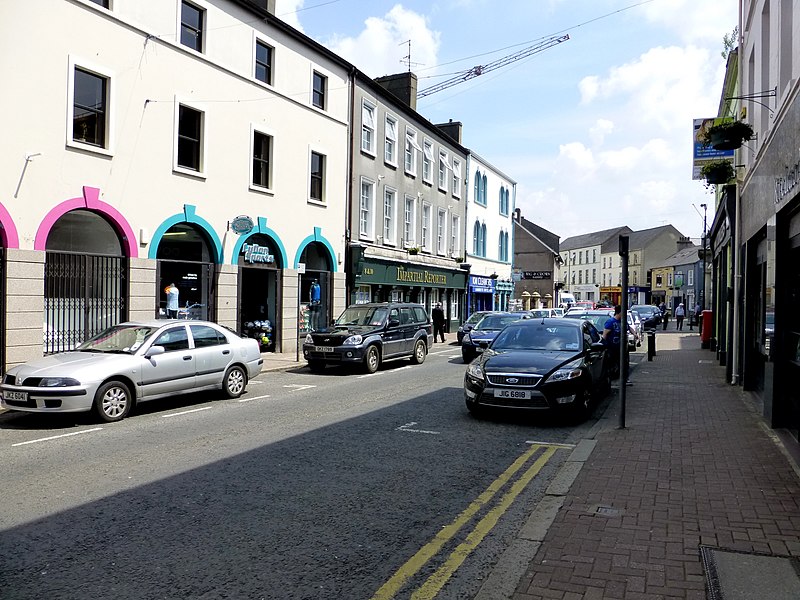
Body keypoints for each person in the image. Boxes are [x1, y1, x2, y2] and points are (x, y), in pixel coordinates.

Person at [602, 305, 622, 380]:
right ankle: (611, 377)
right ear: (619, 313)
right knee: (611, 363)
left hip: (620, 348)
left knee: (620, 363)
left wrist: (634, 334)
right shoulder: (610, 322)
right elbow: (605, 334)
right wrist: (603, 345)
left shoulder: (622, 321)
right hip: (611, 348)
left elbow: (628, 327)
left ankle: (621, 377)